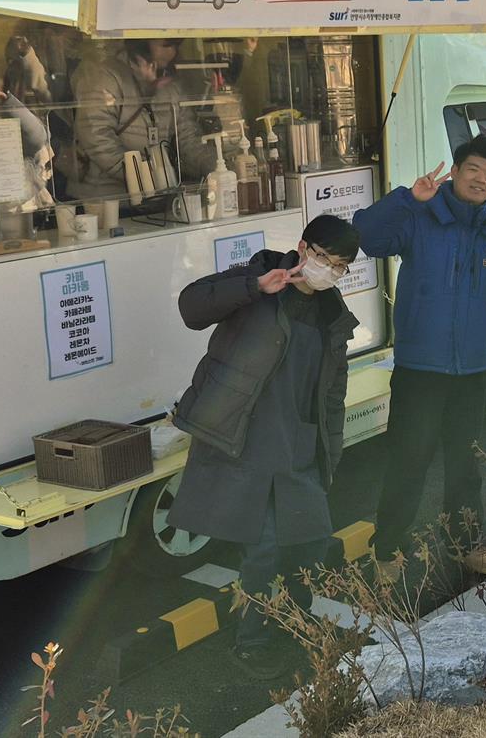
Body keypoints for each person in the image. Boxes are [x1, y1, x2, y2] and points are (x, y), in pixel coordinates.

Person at [171, 214, 362, 676]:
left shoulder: (333, 316)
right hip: (246, 437)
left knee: (308, 543)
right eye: (323, 258)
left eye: (339, 266)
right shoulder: (258, 275)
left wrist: (331, 453)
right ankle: (251, 641)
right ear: (303, 248)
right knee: (264, 549)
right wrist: (255, 287)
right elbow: (191, 307)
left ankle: (296, 621)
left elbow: (332, 393)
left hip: (298, 442)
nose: (328, 271)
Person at [356, 136, 486, 577]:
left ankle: (464, 544)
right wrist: (407, 199)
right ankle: (387, 549)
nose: (481, 180)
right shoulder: (420, 216)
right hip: (419, 368)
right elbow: (366, 236)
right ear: (456, 172)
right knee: (409, 461)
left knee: (466, 463)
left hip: (473, 369)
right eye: (473, 169)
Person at [68, 37, 208, 200]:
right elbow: (96, 138)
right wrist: (144, 177)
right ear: (142, 44)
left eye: (176, 46)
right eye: (166, 45)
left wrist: (215, 166)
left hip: (154, 194)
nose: (172, 52)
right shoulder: (106, 76)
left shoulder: (171, 84)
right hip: (105, 196)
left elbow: (188, 138)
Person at [0, 36, 56, 214]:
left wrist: (8, 102)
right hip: (9, 180)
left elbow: (37, 136)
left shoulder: (28, 85)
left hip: (29, 174)